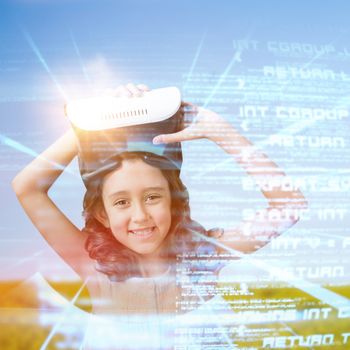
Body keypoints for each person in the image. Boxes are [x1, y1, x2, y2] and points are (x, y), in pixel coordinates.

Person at [12, 83, 307, 349]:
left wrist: (220, 130)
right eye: (122, 202)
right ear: (102, 214)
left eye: (153, 197)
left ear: (173, 201)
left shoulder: (203, 257)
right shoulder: (95, 267)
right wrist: (89, 126)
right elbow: (27, 188)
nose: (140, 216)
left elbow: (289, 205)